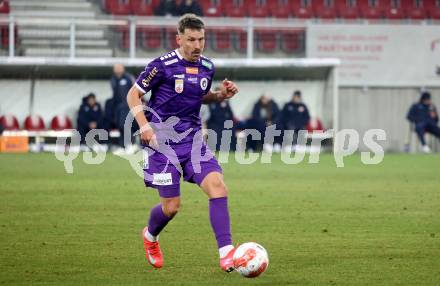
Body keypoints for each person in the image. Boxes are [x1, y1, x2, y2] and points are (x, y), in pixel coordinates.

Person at [126, 14, 239, 272]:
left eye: (201, 39)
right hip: (161, 143)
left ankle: (227, 254)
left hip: (193, 141)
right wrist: (144, 126)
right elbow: (133, 95)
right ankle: (150, 237)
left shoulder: (207, 67)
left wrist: (222, 95)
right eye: (191, 39)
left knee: (218, 187)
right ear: (179, 39)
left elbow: (200, 97)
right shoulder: (162, 65)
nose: (197, 45)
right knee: (171, 207)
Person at [110, 64, 136, 153]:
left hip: (127, 105)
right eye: (115, 68)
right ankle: (122, 146)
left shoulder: (128, 77)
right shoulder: (113, 79)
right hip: (117, 106)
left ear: (123, 69)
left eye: (118, 67)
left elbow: (135, 90)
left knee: (126, 125)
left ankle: (130, 145)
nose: (117, 69)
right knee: (119, 126)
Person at [206, 87, 236, 151]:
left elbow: (231, 115)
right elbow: (210, 116)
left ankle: (231, 149)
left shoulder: (225, 103)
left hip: (224, 123)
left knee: (231, 129)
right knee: (216, 130)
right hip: (213, 123)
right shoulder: (210, 103)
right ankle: (217, 148)